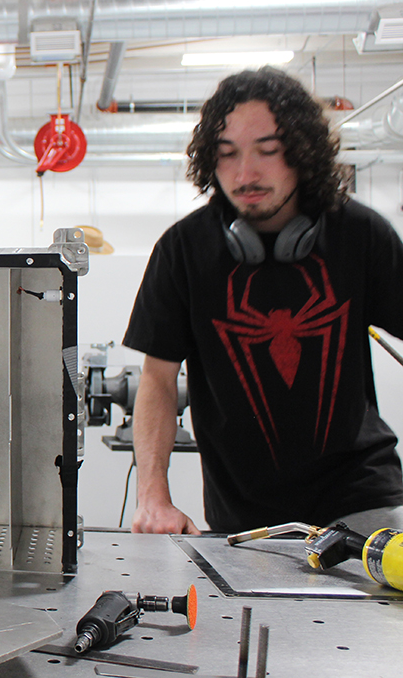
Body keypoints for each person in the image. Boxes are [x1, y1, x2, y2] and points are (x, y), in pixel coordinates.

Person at [123, 66, 403, 535]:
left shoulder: (360, 234)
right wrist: (153, 498)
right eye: (227, 154)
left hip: (362, 494)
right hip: (243, 513)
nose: (245, 173)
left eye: (267, 151)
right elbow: (158, 379)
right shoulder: (183, 249)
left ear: (301, 151)